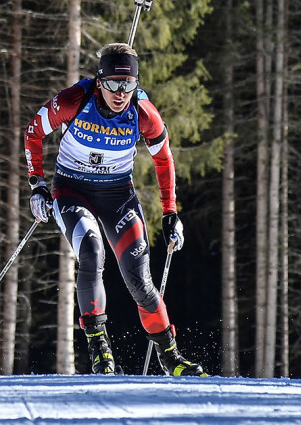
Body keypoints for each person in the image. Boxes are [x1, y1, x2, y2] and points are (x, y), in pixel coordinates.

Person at [24, 42, 205, 376]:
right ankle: (99, 351)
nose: (120, 93)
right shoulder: (73, 101)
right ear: (99, 80)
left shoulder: (144, 114)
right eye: (112, 84)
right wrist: (37, 185)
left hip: (118, 196)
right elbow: (34, 133)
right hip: (72, 191)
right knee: (91, 253)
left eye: (128, 85)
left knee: (139, 279)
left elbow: (163, 159)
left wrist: (170, 212)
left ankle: (171, 358)